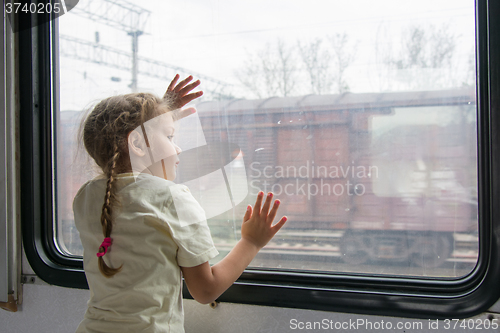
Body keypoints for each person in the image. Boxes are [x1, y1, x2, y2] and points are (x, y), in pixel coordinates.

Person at [73, 75, 288, 333]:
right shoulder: (172, 198)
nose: (178, 149)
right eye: (171, 136)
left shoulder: (85, 197)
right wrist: (251, 242)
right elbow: (206, 290)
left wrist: (160, 115)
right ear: (138, 143)